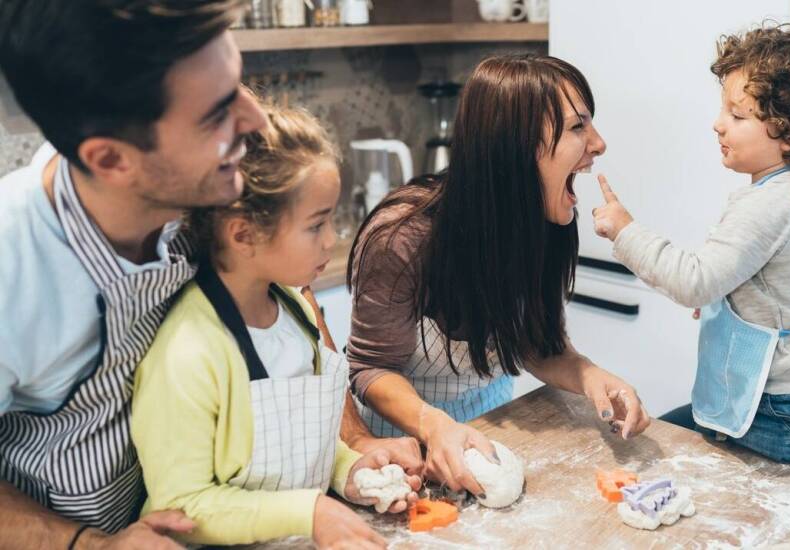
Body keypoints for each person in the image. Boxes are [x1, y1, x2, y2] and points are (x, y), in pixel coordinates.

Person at [0, 2, 419, 547]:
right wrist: (87, 543)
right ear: (111, 160)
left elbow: (297, 310)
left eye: (238, 87)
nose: (255, 121)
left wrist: (353, 446)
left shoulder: (213, 195)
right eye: (216, 113)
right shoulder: (13, 267)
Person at [347, 54, 651, 497]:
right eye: (577, 127)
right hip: (400, 451)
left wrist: (590, 376)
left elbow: (535, 343)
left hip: (492, 427)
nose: (599, 144)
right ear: (515, 145)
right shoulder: (403, 237)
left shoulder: (544, 221)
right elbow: (371, 368)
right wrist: (434, 425)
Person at [132, 105, 417, 548]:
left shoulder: (297, 314)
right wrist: (310, 511)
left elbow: (298, 450)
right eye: (316, 225)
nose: (331, 240)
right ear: (243, 234)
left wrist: (350, 472)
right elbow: (182, 506)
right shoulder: (188, 352)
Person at [592, 24, 790, 470]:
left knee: (764, 508)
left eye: (738, 116)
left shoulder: (772, 204)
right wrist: (729, 300)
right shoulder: (788, 190)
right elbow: (762, 283)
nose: (718, 123)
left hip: (784, 406)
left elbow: (694, 282)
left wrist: (625, 231)